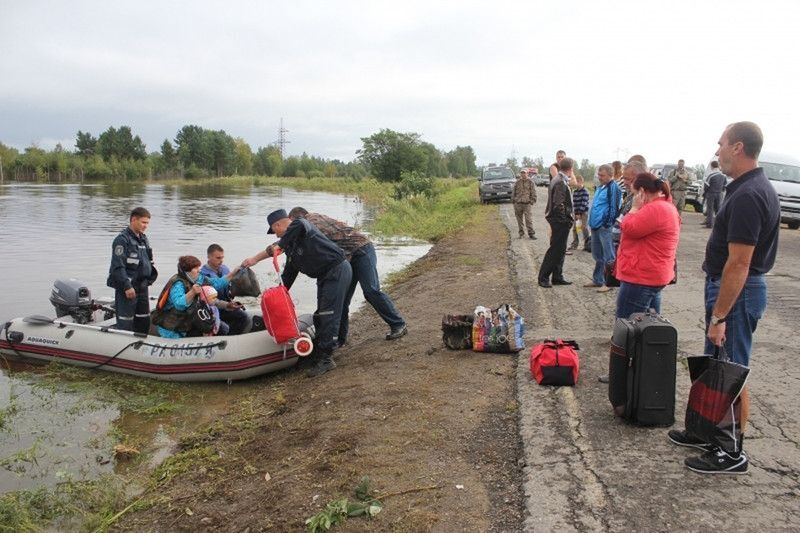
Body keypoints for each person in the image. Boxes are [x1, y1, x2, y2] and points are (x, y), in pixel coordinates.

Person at [669, 121, 780, 475]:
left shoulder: (749, 195)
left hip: (738, 293)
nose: (716, 151)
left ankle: (731, 452)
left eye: (721, 144)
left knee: (731, 370)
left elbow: (740, 262)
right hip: (731, 290)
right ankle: (707, 432)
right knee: (715, 365)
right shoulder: (746, 188)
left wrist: (719, 317)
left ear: (738, 148)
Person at [243, 209, 352, 377]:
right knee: (323, 313)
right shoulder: (292, 248)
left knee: (328, 313)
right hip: (325, 275)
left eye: (275, 231)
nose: (276, 236)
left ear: (278, 224)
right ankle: (331, 346)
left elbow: (300, 225)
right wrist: (278, 293)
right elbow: (289, 274)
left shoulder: (301, 225)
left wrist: (279, 245)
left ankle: (326, 359)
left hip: (336, 270)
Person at [286, 206, 407, 344]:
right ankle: (340, 339)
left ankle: (398, 324)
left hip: (362, 251)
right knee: (341, 301)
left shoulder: (312, 221)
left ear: (295, 219)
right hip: (347, 258)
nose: (290, 229)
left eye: (290, 225)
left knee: (371, 290)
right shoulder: (308, 224)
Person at [613, 172, 680, 318]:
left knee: (627, 322)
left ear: (642, 192)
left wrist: (633, 209)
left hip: (641, 275)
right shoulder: (666, 206)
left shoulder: (654, 209)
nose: (633, 198)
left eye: (634, 193)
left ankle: (628, 342)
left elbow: (630, 228)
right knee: (649, 323)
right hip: (654, 273)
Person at [152, 255, 239, 339]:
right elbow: (179, 304)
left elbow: (216, 283)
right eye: (196, 268)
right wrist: (192, 292)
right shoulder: (178, 284)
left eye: (199, 267)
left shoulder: (198, 279)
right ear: (187, 271)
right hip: (173, 327)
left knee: (223, 328)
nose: (199, 270)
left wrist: (233, 273)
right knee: (213, 330)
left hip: (189, 321)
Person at [107, 207, 158, 333]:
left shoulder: (144, 239)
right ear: (133, 219)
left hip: (142, 287)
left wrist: (150, 279)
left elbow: (149, 262)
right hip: (128, 289)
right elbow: (117, 267)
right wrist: (127, 286)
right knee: (126, 322)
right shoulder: (122, 240)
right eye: (143, 222)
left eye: (147, 223)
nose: (146, 226)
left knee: (144, 320)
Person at [538, 157, 575, 288]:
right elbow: (558, 204)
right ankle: (543, 277)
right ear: (571, 169)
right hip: (559, 221)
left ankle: (557, 276)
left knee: (560, 250)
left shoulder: (559, 179)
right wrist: (565, 220)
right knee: (555, 250)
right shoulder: (560, 181)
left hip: (559, 221)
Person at [585, 164, 622, 292]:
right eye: (599, 175)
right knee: (597, 255)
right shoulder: (601, 187)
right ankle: (597, 279)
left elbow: (614, 207)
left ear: (610, 175)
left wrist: (607, 223)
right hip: (595, 225)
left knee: (609, 256)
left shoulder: (613, 188)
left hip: (604, 226)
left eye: (602, 175)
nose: (599, 177)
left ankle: (610, 283)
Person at [200, 244, 248, 335]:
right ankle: (229, 338)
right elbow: (209, 299)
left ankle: (233, 337)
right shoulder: (203, 275)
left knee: (243, 316)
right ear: (209, 257)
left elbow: (231, 286)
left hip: (226, 305)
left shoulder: (224, 269)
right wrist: (227, 305)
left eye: (222, 258)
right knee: (241, 317)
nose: (221, 261)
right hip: (213, 309)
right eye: (218, 258)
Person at [512, 169, 537, 240]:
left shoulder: (530, 182)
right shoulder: (517, 182)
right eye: (522, 173)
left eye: (524, 173)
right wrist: (513, 201)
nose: (523, 174)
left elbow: (533, 192)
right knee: (519, 220)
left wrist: (532, 200)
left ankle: (531, 234)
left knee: (528, 219)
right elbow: (513, 192)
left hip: (527, 204)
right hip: (518, 203)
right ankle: (521, 233)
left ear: (527, 174)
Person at [702, 160, 727, 228]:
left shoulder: (711, 175)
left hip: (711, 193)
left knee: (710, 209)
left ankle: (709, 224)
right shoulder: (723, 175)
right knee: (718, 209)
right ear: (718, 166)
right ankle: (719, 224)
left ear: (712, 166)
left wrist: (705, 193)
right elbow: (725, 186)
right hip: (719, 194)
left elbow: (706, 186)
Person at [570, 175, 590, 251]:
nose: (576, 184)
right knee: (575, 228)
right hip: (576, 213)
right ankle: (574, 244)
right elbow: (574, 204)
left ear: (581, 182)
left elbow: (584, 203)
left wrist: (579, 213)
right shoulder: (575, 192)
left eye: (578, 182)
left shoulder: (585, 191)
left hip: (583, 213)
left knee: (583, 227)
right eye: (576, 182)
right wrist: (575, 213)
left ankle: (587, 244)